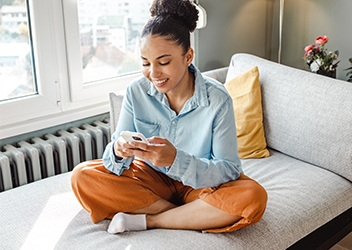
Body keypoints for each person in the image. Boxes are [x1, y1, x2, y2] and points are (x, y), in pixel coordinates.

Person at [71, 0, 267, 234]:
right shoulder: (136, 91)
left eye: (164, 62)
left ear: (188, 56)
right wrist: (119, 150)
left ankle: (151, 220)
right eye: (145, 63)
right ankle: (191, 215)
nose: (153, 73)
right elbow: (114, 163)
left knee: (253, 197)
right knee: (82, 176)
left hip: (200, 184)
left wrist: (176, 160)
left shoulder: (218, 99)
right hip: (152, 181)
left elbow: (228, 169)